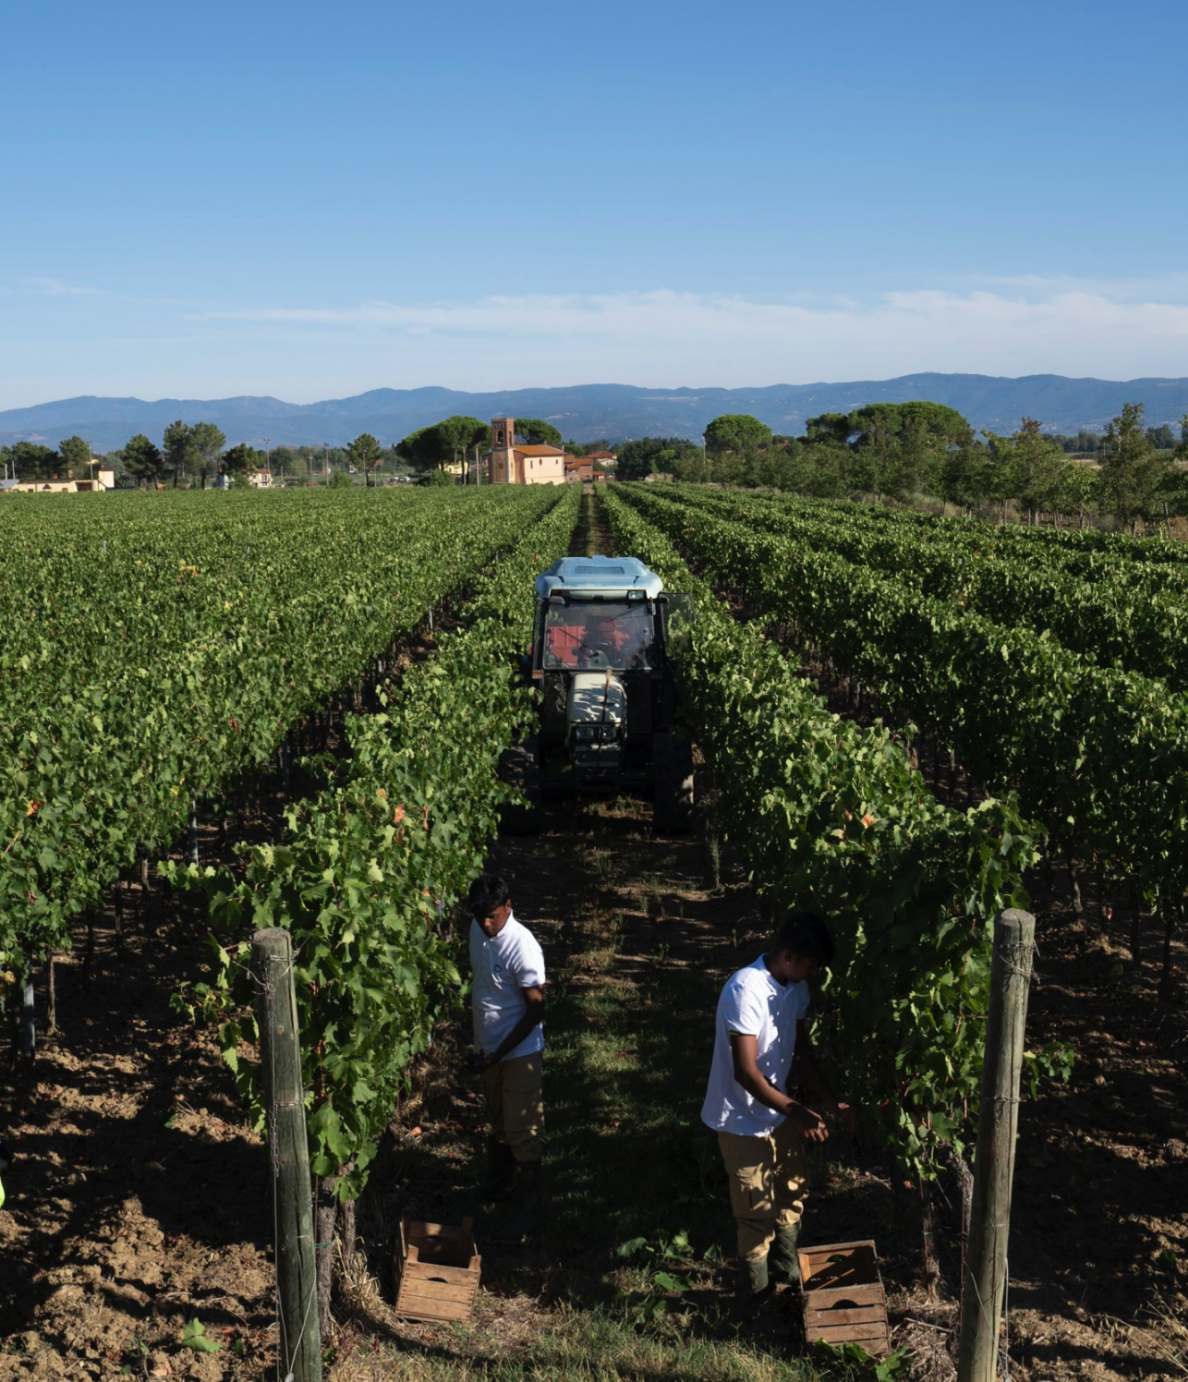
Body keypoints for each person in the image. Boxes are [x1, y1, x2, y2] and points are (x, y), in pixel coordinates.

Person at [701, 912, 854, 1301]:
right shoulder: (744, 990)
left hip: (777, 1110)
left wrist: (828, 1100)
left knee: (791, 1191)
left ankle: (786, 1284)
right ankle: (756, 1304)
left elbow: (801, 1052)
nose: (813, 974)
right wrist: (798, 1111)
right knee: (756, 1212)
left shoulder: (793, 988)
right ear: (788, 956)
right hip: (741, 1119)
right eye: (810, 965)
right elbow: (746, 1073)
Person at [467, 872, 546, 1240]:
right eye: (479, 914)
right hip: (490, 1051)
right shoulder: (477, 930)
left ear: (508, 906)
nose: (485, 923)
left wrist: (501, 1051)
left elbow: (535, 1010)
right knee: (499, 1122)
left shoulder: (522, 947)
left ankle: (533, 1211)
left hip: (518, 1053)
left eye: (492, 916)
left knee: (523, 1132)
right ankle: (495, 1187)